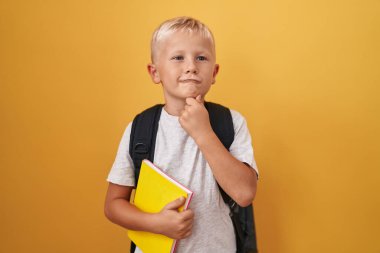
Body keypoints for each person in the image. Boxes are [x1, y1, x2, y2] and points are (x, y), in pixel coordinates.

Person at [104, 16, 259, 253]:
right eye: (178, 57)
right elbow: (113, 205)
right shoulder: (140, 129)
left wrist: (203, 133)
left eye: (201, 57)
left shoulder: (231, 123)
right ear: (154, 72)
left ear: (214, 72)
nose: (191, 66)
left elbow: (245, 193)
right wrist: (155, 223)